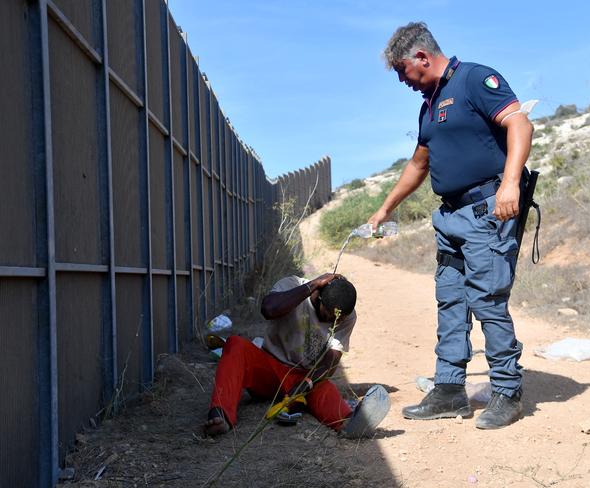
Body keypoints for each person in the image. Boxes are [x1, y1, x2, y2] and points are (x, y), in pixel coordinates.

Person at [368, 22, 533, 429]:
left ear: (421, 57)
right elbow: (419, 162)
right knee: (451, 301)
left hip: (486, 210)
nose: (404, 81)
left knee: (488, 300)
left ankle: (507, 392)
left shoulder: (476, 79)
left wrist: (510, 183)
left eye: (403, 71)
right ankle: (448, 390)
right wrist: (385, 209)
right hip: (450, 217)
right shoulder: (429, 104)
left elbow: (519, 124)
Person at [204, 273, 390, 438]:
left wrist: (307, 383)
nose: (335, 323)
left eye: (339, 320)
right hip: (268, 370)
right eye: (331, 317)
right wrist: (313, 284)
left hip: (303, 378)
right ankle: (221, 415)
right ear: (319, 298)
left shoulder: (347, 316)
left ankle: (349, 422)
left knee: (323, 386)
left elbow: (331, 361)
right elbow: (268, 310)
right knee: (235, 344)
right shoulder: (292, 285)